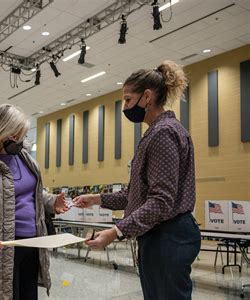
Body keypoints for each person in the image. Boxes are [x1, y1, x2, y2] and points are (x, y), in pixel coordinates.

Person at [74, 60, 201, 300]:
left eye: (128, 99)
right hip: (161, 235)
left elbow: (161, 201)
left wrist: (116, 231)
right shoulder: (156, 132)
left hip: (168, 236)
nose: (125, 107)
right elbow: (136, 195)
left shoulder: (163, 133)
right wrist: (97, 198)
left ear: (147, 97)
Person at [0, 104, 69, 300]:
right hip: (1, 247)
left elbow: (34, 194)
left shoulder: (27, 160)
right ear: (0, 132)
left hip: (33, 245)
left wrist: (52, 202)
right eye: (15, 136)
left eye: (22, 135)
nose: (19, 140)